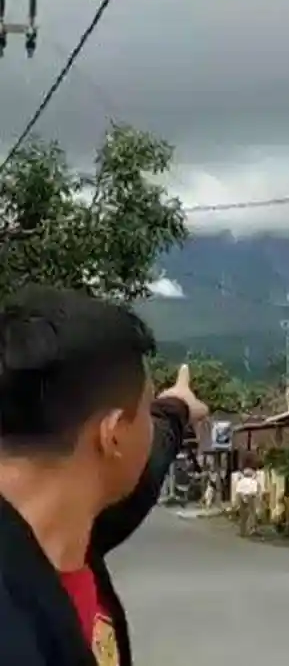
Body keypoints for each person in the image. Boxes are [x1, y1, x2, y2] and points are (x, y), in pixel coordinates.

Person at [0, 285, 209, 666]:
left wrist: (176, 406)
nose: (151, 425)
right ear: (112, 434)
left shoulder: (74, 529)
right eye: (145, 410)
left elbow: (149, 459)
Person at [233, 466, 262, 536]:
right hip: (250, 497)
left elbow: (237, 492)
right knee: (252, 513)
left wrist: (237, 503)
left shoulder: (241, 481)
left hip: (241, 496)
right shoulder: (253, 481)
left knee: (243, 515)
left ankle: (242, 531)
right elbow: (255, 492)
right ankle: (252, 529)